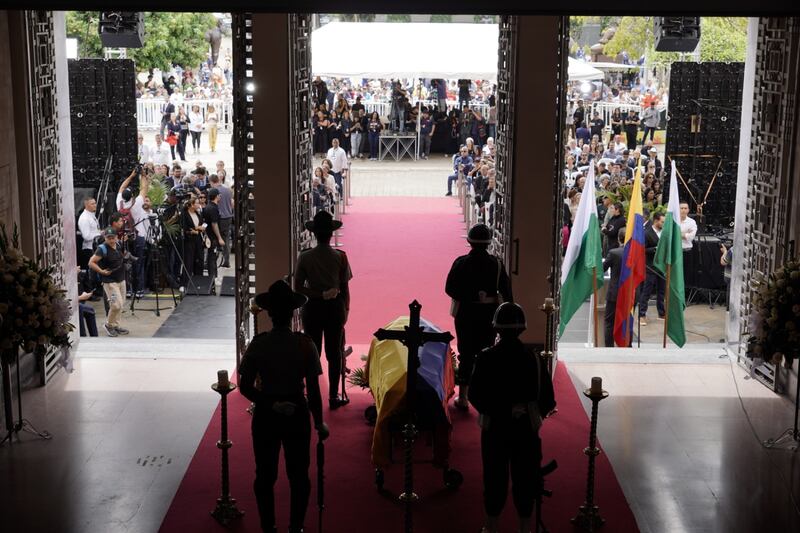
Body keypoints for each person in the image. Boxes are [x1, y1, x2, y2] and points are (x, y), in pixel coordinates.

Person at [239, 279, 330, 533]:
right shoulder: (305, 344)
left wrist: (269, 403)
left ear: (269, 313)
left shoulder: (259, 343)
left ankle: (269, 527)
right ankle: (296, 527)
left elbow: (245, 386)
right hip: (297, 412)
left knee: (265, 476)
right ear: (293, 313)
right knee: (299, 476)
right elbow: (312, 390)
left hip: (266, 414)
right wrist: (319, 421)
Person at [469, 302, 556, 533]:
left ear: (496, 328)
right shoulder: (534, 360)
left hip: (494, 429)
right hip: (525, 429)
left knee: (494, 477)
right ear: (522, 328)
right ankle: (525, 527)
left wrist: (500, 411)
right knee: (525, 478)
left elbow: (475, 395)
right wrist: (525, 412)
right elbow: (548, 401)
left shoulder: (486, 358)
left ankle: (491, 525)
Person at [445, 224, 513, 410]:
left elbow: (449, 288)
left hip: (466, 314)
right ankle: (486, 394)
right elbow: (507, 292)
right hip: (489, 314)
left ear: (469, 242)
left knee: (465, 353)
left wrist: (470, 296)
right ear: (489, 242)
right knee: (487, 351)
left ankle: (464, 397)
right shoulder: (496, 264)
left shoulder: (461, 262)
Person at [294, 210, 353, 410]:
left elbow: (298, 288)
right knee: (334, 353)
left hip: (312, 307)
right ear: (330, 234)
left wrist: (317, 294)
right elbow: (345, 288)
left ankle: (312, 395)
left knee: (313, 352)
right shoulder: (340, 256)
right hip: (335, 307)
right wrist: (346, 309)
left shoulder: (306, 257)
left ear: (314, 234)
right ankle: (333, 396)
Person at [88, 228, 129, 337]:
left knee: (121, 304)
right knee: (116, 305)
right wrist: (101, 271)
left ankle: (116, 325)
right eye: (109, 238)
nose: (111, 240)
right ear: (105, 238)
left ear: (117, 237)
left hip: (121, 278)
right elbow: (91, 262)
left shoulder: (119, 245)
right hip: (110, 282)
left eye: (113, 237)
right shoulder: (102, 249)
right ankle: (109, 325)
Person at [117, 168, 149, 298]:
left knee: (126, 264)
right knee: (139, 262)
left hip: (124, 237)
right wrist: (142, 175)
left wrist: (131, 176)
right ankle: (139, 290)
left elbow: (121, 187)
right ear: (132, 196)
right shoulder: (137, 203)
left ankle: (128, 290)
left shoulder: (119, 203)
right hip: (138, 236)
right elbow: (144, 188)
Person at [639, 212, 666, 326]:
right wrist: (655, 249)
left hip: (662, 267)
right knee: (647, 291)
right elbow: (642, 250)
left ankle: (661, 313)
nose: (664, 224)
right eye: (662, 222)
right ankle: (642, 315)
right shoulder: (647, 233)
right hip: (650, 267)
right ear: (656, 221)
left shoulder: (664, 232)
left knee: (661, 291)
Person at [603, 232, 626, 347]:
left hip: (615, 293)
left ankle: (609, 347)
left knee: (609, 321)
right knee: (626, 320)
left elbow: (602, 268)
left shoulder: (614, 253)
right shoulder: (636, 253)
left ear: (618, 238)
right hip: (630, 293)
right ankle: (627, 345)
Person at [209, 173, 233, 267]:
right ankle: (226, 260)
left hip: (220, 218)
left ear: (211, 182)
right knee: (226, 238)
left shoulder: (214, 191)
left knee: (216, 238)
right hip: (228, 216)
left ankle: (214, 260)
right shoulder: (228, 190)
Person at [180, 195, 206, 284]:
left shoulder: (198, 213)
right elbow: (185, 227)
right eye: (197, 203)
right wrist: (193, 230)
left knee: (199, 260)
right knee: (188, 261)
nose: (199, 205)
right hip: (189, 241)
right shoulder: (185, 214)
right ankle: (185, 282)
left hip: (198, 239)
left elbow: (201, 223)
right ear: (192, 205)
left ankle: (198, 281)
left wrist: (201, 228)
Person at [204, 188, 224, 280]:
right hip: (212, 237)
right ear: (216, 196)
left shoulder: (208, 207)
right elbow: (214, 224)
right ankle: (213, 277)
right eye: (219, 195)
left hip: (209, 236)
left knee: (211, 258)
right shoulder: (213, 209)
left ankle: (212, 276)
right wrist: (219, 238)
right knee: (212, 258)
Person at [77, 197, 101, 269]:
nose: (95, 205)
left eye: (95, 203)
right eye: (92, 204)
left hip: (95, 247)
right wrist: (99, 234)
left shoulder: (91, 215)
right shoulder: (85, 218)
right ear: (86, 205)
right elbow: (86, 236)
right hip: (89, 250)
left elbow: (93, 230)